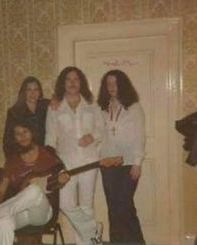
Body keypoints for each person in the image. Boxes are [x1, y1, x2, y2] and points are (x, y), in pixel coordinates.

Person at [0, 122, 69, 245]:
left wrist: (61, 182)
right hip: (19, 211)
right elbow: (1, 191)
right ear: (14, 138)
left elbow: (58, 181)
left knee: (34, 189)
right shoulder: (12, 161)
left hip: (42, 211)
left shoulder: (48, 153)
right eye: (18, 134)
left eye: (25, 132)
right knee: (4, 222)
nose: (22, 137)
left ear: (32, 133)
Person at [45, 66, 104, 245]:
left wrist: (91, 136)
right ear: (63, 83)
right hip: (66, 164)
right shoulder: (54, 107)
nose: (72, 83)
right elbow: (50, 137)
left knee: (86, 205)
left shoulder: (92, 104)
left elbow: (101, 128)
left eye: (76, 79)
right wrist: (51, 163)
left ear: (81, 83)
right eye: (68, 79)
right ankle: (94, 229)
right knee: (65, 204)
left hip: (89, 162)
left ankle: (86, 243)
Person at [97, 69, 146, 244]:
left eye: (116, 83)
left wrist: (138, 162)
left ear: (122, 85)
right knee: (113, 208)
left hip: (128, 162)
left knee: (125, 206)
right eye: (108, 83)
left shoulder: (134, 107)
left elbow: (140, 136)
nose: (112, 87)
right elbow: (98, 133)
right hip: (108, 164)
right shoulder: (102, 108)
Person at [3, 76, 50, 159]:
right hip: (24, 158)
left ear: (40, 92)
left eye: (36, 89)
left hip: (45, 157)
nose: (33, 93)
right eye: (29, 90)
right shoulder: (14, 112)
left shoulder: (47, 107)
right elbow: (8, 142)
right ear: (23, 92)